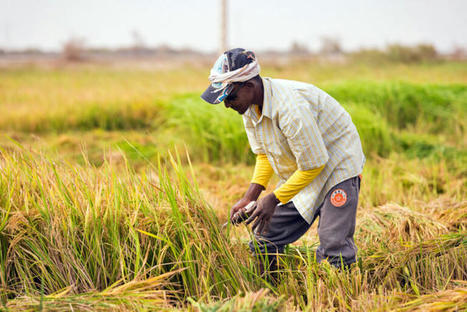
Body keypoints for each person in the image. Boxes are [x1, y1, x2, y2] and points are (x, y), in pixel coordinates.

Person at [201, 48, 365, 275]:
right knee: (263, 238)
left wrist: (273, 198)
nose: (227, 105)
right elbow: (265, 154)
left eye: (229, 97)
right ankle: (268, 291)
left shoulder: (291, 108)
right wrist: (250, 197)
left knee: (333, 244)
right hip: (303, 168)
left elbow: (315, 165)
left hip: (337, 167)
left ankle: (341, 294)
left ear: (249, 86)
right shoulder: (249, 109)